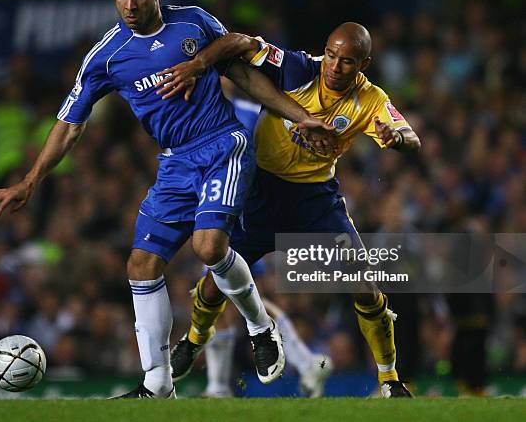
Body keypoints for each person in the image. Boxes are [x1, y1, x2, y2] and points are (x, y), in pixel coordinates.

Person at [0, 0, 337, 399]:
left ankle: (261, 328)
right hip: (174, 162)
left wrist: (300, 116)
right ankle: (157, 383)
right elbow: (70, 124)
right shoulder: (106, 57)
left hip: (223, 144)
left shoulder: (192, 23)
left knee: (209, 247)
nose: (129, 4)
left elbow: (243, 71)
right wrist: (31, 179)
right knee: (141, 265)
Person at [160, 22, 421, 398]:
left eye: (346, 61)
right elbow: (237, 42)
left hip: (314, 198)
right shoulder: (297, 68)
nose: (334, 65)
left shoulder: (371, 101)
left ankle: (389, 378)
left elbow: (412, 138)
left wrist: (397, 138)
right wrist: (200, 63)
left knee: (363, 282)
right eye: (331, 54)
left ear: (363, 64)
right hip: (262, 189)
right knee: (219, 275)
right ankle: (195, 337)